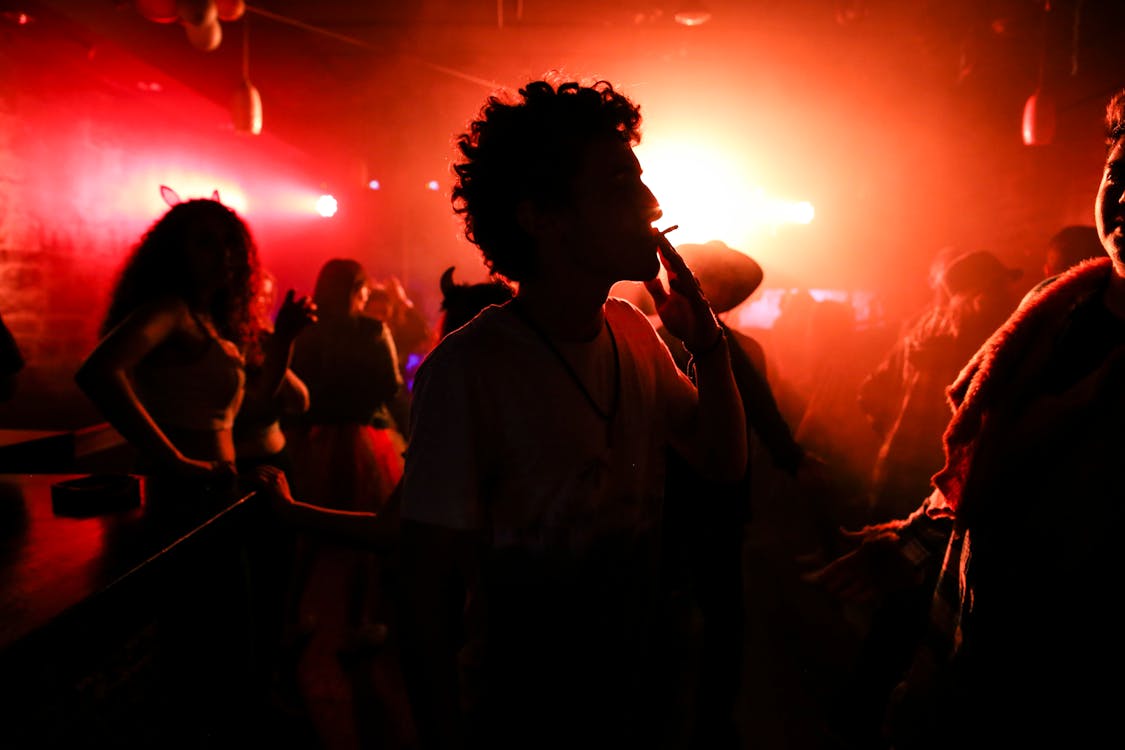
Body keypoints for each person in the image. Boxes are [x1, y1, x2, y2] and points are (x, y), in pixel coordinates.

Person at [393, 76, 746, 750]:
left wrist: (708, 344)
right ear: (540, 215)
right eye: (619, 183)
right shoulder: (472, 368)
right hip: (519, 715)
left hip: (634, 698)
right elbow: (423, 588)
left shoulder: (633, 333)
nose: (651, 202)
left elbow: (721, 461)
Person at [811, 89, 1125, 748]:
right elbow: (989, 467)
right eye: (1116, 171)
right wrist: (911, 540)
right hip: (976, 653)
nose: (1121, 195)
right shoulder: (1052, 311)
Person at [655, 240, 807, 749]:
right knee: (676, 614)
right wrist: (789, 455)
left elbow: (758, 412)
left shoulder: (737, 348)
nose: (708, 293)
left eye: (713, 285)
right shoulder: (648, 342)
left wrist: (788, 456)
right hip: (665, 498)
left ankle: (711, 720)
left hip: (715, 499)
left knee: (720, 614)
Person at [287, 257, 406, 655]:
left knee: (309, 531)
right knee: (366, 532)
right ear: (358, 291)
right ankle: (362, 621)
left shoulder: (308, 333)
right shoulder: (372, 330)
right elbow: (391, 384)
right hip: (366, 437)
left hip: (314, 437)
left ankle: (296, 617)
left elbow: (294, 383)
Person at [858, 248, 1023, 522]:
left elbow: (873, 389)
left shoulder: (923, 325)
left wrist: (888, 430)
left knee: (892, 544)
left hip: (901, 461)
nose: (1008, 294)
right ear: (981, 292)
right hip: (949, 468)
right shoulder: (991, 333)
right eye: (998, 285)